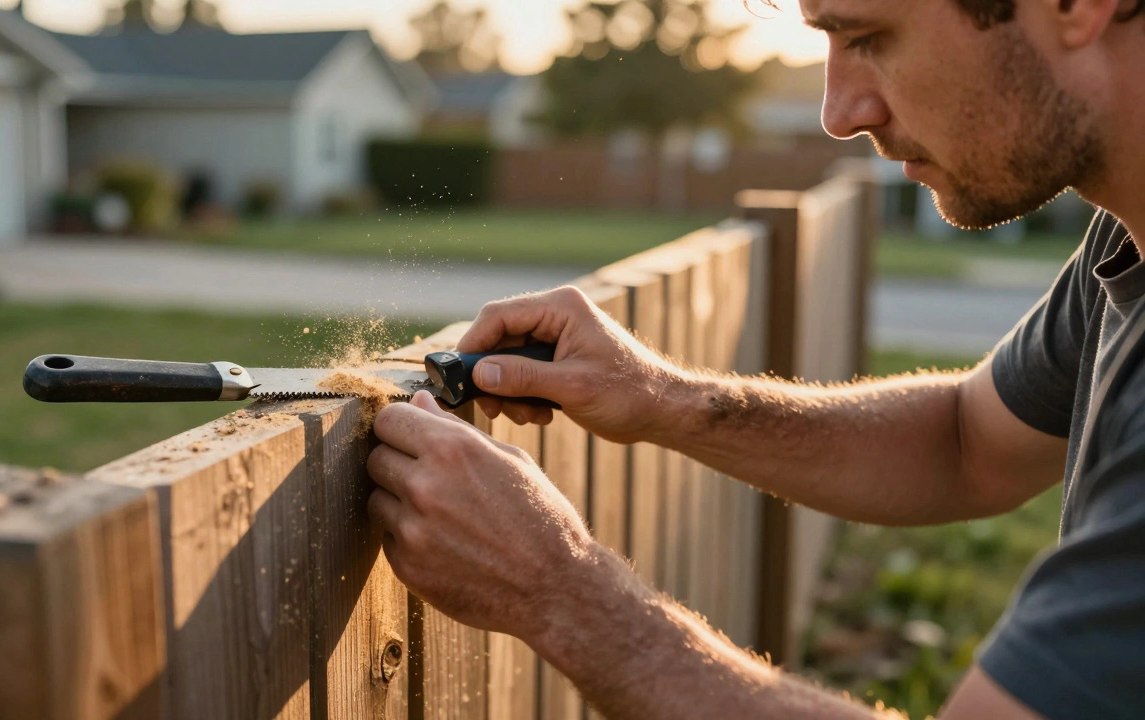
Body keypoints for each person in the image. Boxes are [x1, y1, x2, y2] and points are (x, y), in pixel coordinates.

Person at [364, 0, 1145, 717]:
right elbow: (964, 442)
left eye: (870, 37)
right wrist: (665, 396)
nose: (840, 113)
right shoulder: (1124, 239)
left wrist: (560, 588)